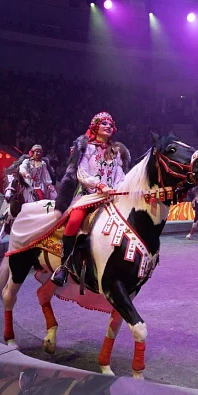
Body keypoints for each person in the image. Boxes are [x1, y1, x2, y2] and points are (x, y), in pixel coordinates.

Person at [51, 112, 130, 287]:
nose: (108, 126)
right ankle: (64, 266)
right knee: (74, 222)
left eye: (111, 124)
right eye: (104, 123)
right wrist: (100, 186)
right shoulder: (88, 148)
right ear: (95, 126)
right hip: (89, 196)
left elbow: (120, 175)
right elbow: (82, 173)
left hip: (111, 197)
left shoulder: (116, 151)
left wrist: (118, 189)